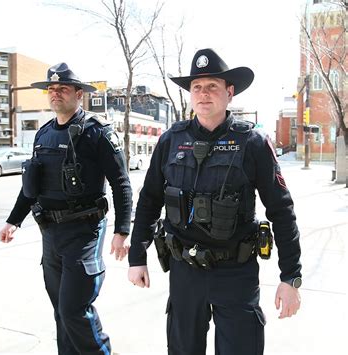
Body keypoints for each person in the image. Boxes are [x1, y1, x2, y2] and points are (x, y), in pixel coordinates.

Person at [128, 48, 302, 355]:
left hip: (235, 274)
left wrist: (290, 277)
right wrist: (137, 256)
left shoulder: (253, 143)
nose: (203, 94)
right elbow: (149, 200)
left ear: (229, 92)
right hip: (185, 273)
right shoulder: (170, 140)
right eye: (197, 87)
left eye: (212, 86)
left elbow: (281, 210)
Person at [0, 62, 132, 355]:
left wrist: (122, 231)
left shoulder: (97, 133)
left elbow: (121, 183)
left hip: (83, 232)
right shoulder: (44, 134)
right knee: (61, 312)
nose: (55, 93)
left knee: (74, 309)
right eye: (51, 88)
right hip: (50, 233)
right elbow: (30, 186)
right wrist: (13, 221)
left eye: (63, 88)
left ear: (79, 95)